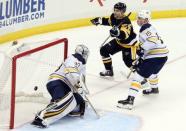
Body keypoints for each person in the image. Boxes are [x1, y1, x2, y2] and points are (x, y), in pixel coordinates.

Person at [117, 10, 169, 109]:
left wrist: (141, 50)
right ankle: (154, 89)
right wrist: (142, 56)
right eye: (138, 18)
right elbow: (152, 43)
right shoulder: (149, 27)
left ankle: (129, 101)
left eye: (140, 18)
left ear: (146, 20)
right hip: (162, 56)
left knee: (137, 77)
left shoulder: (145, 28)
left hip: (155, 56)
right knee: (153, 73)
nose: (138, 20)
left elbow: (152, 41)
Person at [31, 44, 90, 128]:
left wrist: (82, 93)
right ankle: (42, 116)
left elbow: (81, 83)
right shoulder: (76, 58)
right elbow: (70, 72)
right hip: (58, 82)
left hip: (60, 84)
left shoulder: (82, 65)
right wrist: (78, 86)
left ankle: (56, 104)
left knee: (78, 101)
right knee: (69, 101)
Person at [91, 2, 138, 77]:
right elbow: (108, 21)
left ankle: (141, 75)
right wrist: (99, 20)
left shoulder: (126, 22)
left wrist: (117, 33)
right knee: (103, 50)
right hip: (119, 42)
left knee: (128, 63)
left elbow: (125, 35)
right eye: (115, 10)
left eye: (117, 11)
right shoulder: (113, 17)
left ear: (122, 12)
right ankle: (109, 70)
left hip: (129, 45)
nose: (115, 12)